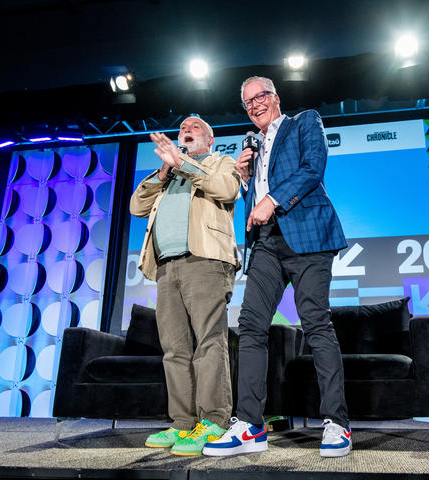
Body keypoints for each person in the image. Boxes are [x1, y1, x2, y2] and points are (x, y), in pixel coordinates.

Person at [203, 77, 352, 458]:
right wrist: (247, 179)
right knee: (251, 325)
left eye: (260, 97)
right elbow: (253, 194)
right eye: (247, 102)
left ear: (276, 98)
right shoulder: (250, 144)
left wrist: (270, 199)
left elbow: (312, 168)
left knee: (315, 322)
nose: (254, 105)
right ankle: (251, 426)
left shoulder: (304, 122)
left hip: (308, 236)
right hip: (266, 242)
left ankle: (337, 423)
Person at [130, 116, 241, 456]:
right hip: (166, 266)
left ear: (209, 139)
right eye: (182, 129)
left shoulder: (220, 162)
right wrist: (165, 171)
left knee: (209, 343)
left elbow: (227, 189)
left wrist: (183, 163)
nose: (186, 130)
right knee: (174, 349)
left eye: (194, 127)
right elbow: (137, 206)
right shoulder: (167, 175)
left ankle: (214, 421)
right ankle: (182, 422)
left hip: (205, 260)